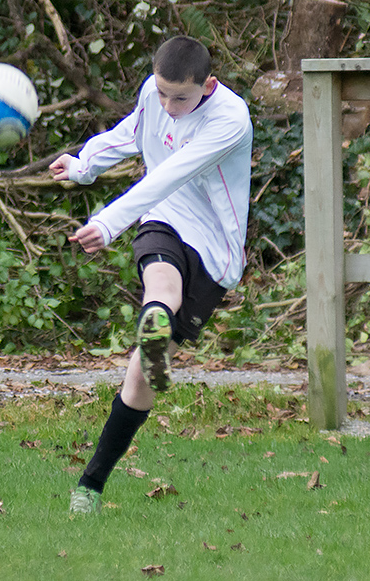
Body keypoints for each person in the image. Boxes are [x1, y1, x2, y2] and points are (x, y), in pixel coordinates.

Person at [49, 35, 252, 513]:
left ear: (209, 85)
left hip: (215, 248)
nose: (167, 105)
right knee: (161, 285)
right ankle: (90, 489)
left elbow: (170, 172)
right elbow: (132, 134)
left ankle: (154, 335)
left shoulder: (230, 118)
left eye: (179, 97)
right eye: (161, 93)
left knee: (140, 379)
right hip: (163, 215)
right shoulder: (156, 93)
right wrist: (83, 167)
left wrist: (107, 222)